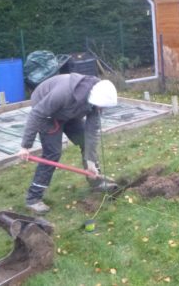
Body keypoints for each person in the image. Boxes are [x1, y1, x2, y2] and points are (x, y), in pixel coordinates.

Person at [18, 73, 118, 213]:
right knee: (52, 153)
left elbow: (91, 133)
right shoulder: (63, 93)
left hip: (70, 111)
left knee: (84, 140)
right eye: (100, 107)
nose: (101, 110)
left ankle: (96, 182)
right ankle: (33, 199)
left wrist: (91, 162)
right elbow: (37, 114)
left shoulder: (96, 98)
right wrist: (25, 146)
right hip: (47, 113)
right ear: (92, 99)